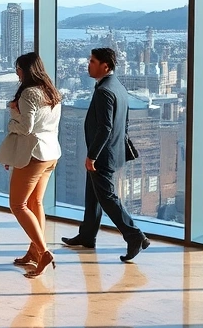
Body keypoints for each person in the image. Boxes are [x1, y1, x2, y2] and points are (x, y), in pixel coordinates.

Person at [62, 47, 150, 262]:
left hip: (103, 155)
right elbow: (124, 123)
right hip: (112, 151)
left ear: (105, 66)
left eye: (92, 61)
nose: (88, 64)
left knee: (107, 197)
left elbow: (105, 128)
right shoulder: (118, 86)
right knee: (93, 196)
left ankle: (134, 236)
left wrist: (92, 156)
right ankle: (87, 236)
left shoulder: (104, 91)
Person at [0, 52, 62, 278]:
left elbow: (25, 128)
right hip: (51, 153)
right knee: (36, 202)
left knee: (18, 205)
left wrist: (13, 115)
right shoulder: (51, 92)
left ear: (24, 71)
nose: (17, 73)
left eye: (18, 69)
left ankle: (43, 252)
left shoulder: (29, 94)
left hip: (33, 154)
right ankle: (34, 251)